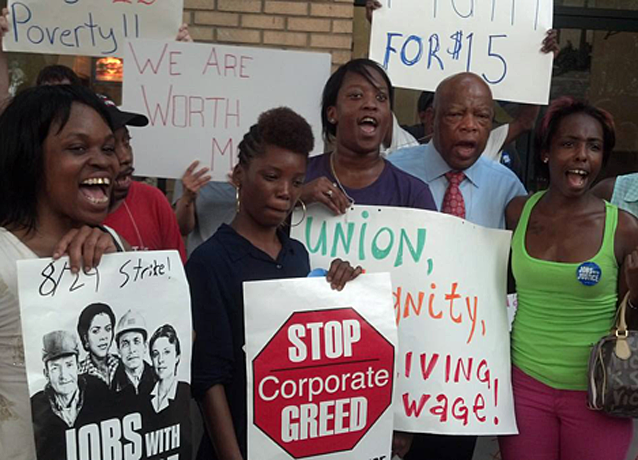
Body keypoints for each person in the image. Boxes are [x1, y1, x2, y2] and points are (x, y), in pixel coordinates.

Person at [188, 107, 362, 460]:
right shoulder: (210, 261)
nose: (285, 192)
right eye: (271, 176)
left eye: (296, 182)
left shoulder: (297, 255)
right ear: (239, 175)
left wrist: (346, 288)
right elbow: (209, 378)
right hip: (234, 445)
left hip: (290, 442)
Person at [500, 97, 638, 460]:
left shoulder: (622, 228)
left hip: (598, 396)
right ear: (546, 152)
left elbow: (630, 325)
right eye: (568, 143)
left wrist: (637, 296)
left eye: (594, 147)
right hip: (522, 389)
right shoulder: (517, 212)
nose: (581, 155)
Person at [0, 84, 125, 460]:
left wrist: (117, 259)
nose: (104, 160)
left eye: (108, 147)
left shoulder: (114, 242)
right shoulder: (4, 257)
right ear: (29, 159)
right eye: (78, 148)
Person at [389, 72, 526, 231]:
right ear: (432, 118)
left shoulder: (507, 188)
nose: (469, 125)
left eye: (482, 116)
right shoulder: (393, 171)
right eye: (456, 114)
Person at [302, 58, 437, 216]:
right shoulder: (300, 177)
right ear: (332, 113)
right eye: (356, 95)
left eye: (381, 98)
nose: (371, 105)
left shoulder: (412, 193)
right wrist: (297, 198)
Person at [100, 95, 187, 262]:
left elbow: (177, 280)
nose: (125, 157)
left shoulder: (153, 201)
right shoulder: (60, 218)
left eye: (126, 142)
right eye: (109, 148)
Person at [30, 331, 111, 460]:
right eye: (55, 368)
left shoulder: (99, 392)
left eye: (69, 365)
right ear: (46, 374)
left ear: (78, 367)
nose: (64, 375)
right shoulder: (34, 407)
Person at [147, 324, 191, 459]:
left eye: (166, 352)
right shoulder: (144, 397)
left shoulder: (186, 393)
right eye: (156, 354)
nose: (161, 360)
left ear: (177, 356)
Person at [111, 309, 156, 398]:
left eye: (136, 341)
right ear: (118, 350)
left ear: (145, 347)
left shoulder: (157, 378)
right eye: (125, 344)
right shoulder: (111, 384)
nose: (132, 350)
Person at [77, 302, 119, 386]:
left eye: (108, 329)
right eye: (96, 331)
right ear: (85, 337)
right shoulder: (78, 373)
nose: (103, 337)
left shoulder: (123, 365)